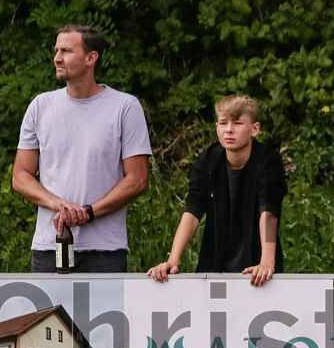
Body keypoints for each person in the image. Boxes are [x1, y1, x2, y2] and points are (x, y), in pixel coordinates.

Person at [14, 24, 151, 273]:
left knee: (105, 315)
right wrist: (58, 204)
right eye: (56, 50)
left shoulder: (125, 107)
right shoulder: (40, 106)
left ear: (91, 58)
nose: (57, 58)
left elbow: (138, 180)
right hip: (49, 247)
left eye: (66, 51)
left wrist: (89, 212)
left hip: (105, 250)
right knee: (48, 315)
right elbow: (21, 176)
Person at [147, 95, 287, 286]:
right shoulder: (208, 160)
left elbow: (269, 213)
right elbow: (192, 211)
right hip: (213, 268)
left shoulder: (268, 161)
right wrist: (173, 260)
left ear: (255, 129)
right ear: (216, 128)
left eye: (237, 123)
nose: (229, 130)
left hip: (257, 270)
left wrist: (267, 262)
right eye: (223, 123)